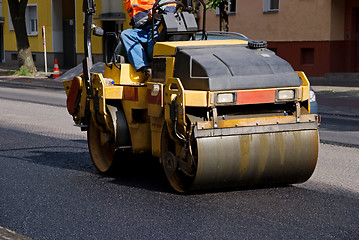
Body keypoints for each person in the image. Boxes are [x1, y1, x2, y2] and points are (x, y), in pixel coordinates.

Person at [121, 0, 175, 76]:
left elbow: (170, 4)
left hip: (157, 22)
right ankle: (144, 67)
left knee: (152, 49)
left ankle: (157, 64)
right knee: (126, 34)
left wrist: (158, 12)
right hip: (142, 29)